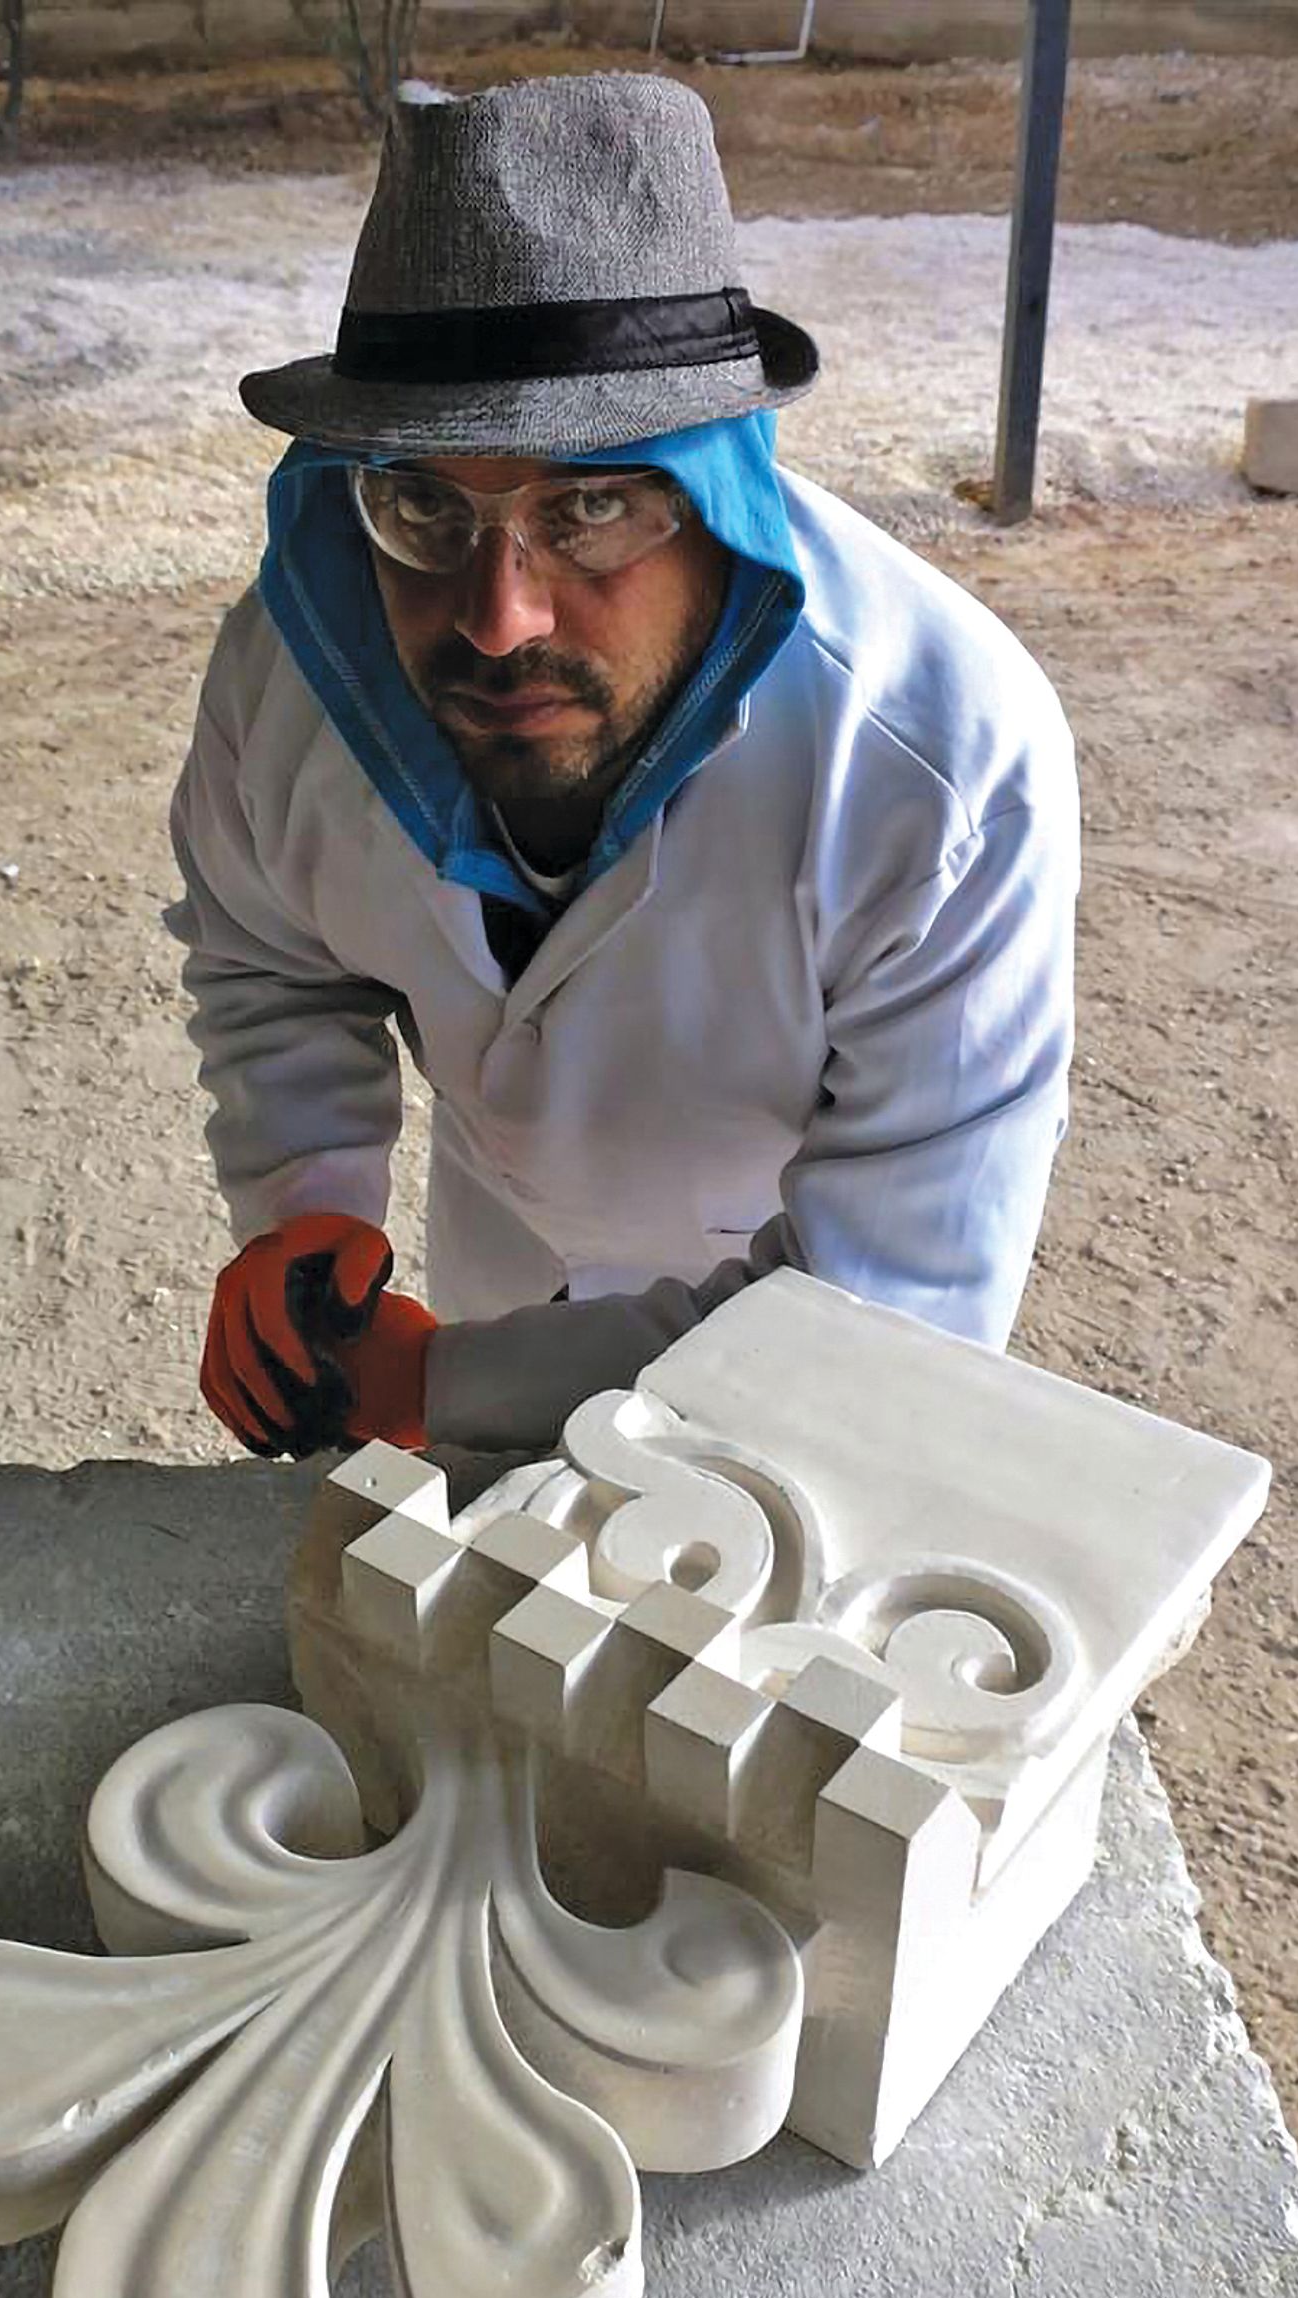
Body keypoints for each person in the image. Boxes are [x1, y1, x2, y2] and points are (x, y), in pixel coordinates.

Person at [170, 70, 1079, 1461]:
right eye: (423, 504)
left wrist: (444, 1388)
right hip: (500, 1242)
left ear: (716, 493)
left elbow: (888, 1323)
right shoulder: (299, 668)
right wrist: (307, 1203)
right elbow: (270, 959)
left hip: (793, 1350)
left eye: (591, 504)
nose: (499, 618)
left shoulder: (936, 767)